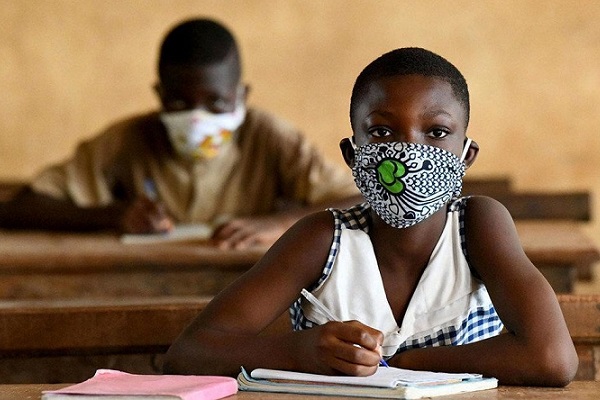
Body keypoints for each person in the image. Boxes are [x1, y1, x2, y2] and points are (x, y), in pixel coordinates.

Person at [163, 47, 578, 386]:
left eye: (435, 133)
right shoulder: (323, 238)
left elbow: (553, 360)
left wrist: (408, 364)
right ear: (352, 155)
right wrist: (303, 351)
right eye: (381, 133)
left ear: (466, 156)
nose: (408, 152)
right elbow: (189, 352)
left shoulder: (478, 225)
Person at [0, 18, 362, 249]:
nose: (196, 119)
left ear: (242, 96)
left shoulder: (270, 137)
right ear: (158, 97)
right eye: (178, 103)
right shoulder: (129, 139)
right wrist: (114, 215)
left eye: (216, 103)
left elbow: (359, 199)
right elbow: (20, 209)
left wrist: (279, 223)